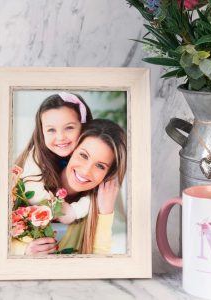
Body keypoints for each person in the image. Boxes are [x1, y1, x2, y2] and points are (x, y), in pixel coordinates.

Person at [12, 119, 127, 255]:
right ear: (71, 150)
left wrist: (106, 213)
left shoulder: (91, 210)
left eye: (100, 166)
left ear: (108, 175)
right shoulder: (24, 185)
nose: (86, 171)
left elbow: (98, 263)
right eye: (83, 155)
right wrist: (23, 251)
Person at [15, 92, 93, 224]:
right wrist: (63, 211)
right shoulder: (36, 156)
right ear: (42, 132)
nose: (60, 137)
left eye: (69, 128)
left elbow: (97, 195)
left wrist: (76, 211)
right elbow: (34, 194)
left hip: (75, 222)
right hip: (37, 222)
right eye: (51, 130)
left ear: (84, 127)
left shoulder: (92, 154)